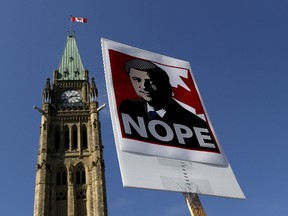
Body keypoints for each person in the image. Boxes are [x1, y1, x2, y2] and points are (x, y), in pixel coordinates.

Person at [119, 59, 217, 151]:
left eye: (150, 81)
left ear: (163, 84)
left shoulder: (196, 124)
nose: (144, 86)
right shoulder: (127, 107)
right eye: (137, 79)